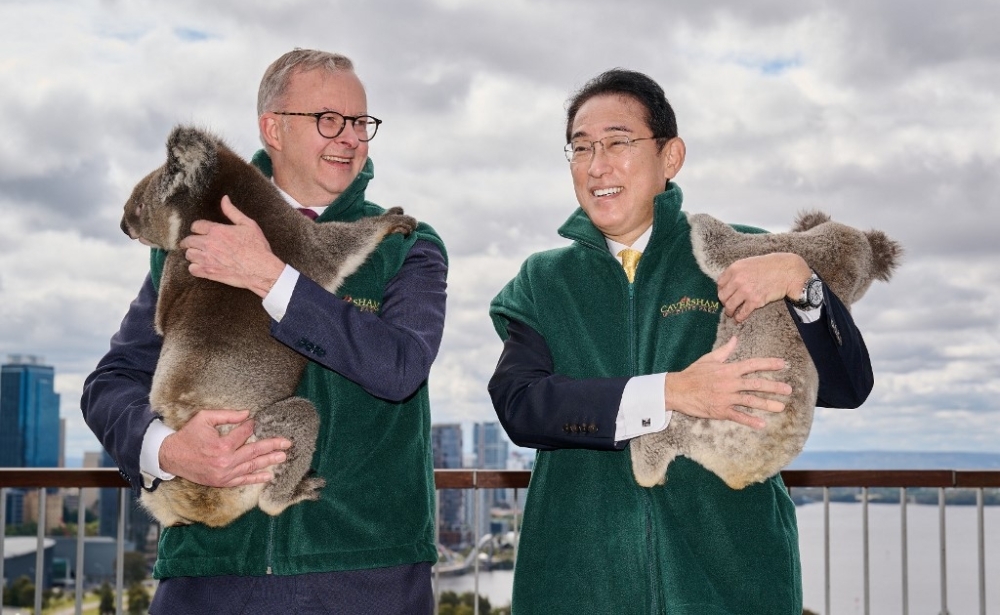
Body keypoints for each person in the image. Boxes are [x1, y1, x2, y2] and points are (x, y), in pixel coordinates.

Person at [488, 68, 873, 614]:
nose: (597, 165)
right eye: (580, 147)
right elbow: (521, 407)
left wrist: (803, 283)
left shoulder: (744, 254)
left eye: (618, 142)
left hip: (730, 580)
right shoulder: (543, 281)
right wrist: (670, 392)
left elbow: (847, 386)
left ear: (670, 157)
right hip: (580, 580)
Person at [82, 49, 448, 614]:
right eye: (329, 119)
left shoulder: (406, 247)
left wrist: (273, 278)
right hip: (208, 573)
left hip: (366, 577)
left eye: (361, 123)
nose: (350, 137)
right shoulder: (191, 246)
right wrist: (169, 450)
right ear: (272, 128)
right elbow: (110, 384)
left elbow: (398, 369)